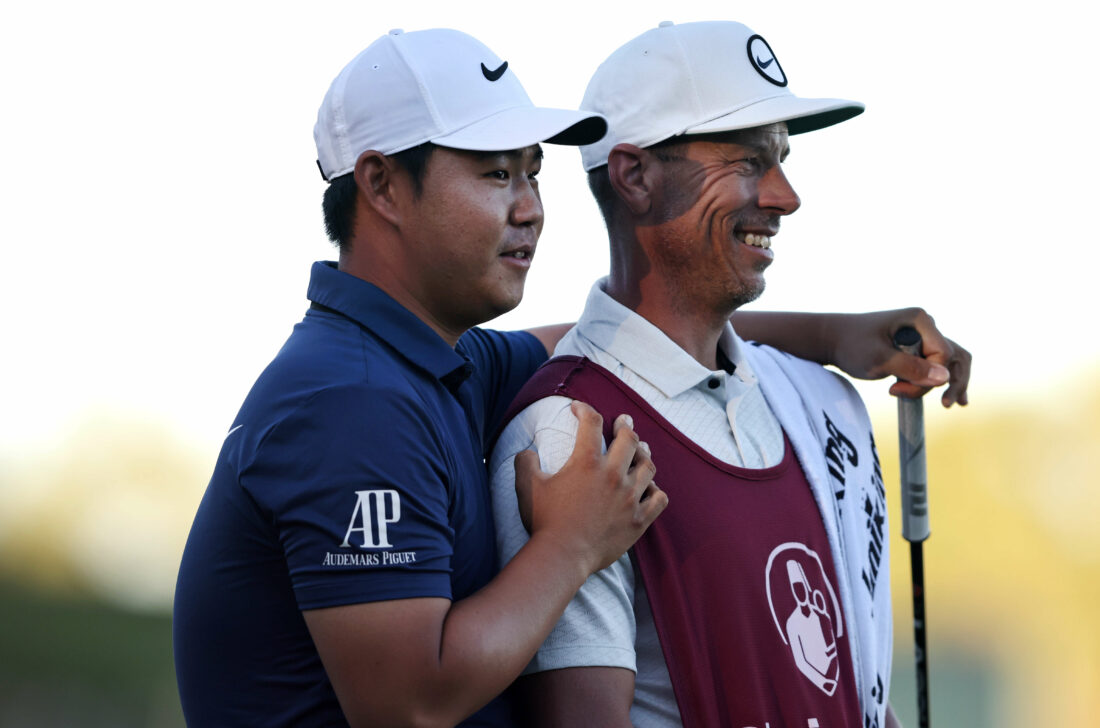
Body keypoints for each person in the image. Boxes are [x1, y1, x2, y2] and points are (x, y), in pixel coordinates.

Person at [174, 24, 967, 728]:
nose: (529, 209)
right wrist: (571, 546)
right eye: (495, 176)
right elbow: (408, 707)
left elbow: (625, 342)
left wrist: (833, 334)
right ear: (381, 186)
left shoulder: (428, 362)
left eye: (532, 174)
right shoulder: (350, 401)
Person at [490, 20, 969, 728]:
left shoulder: (812, 402)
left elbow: (838, 696)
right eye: (749, 161)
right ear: (635, 176)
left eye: (780, 158)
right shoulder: (570, 433)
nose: (784, 196)